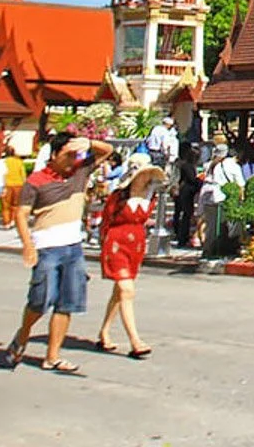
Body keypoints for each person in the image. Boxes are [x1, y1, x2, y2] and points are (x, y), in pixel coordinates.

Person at [8, 134, 113, 374]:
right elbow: (21, 214)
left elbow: (106, 150)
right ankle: (22, 336)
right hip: (47, 247)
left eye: (74, 155)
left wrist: (86, 143)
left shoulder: (80, 172)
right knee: (40, 300)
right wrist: (28, 245)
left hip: (73, 247)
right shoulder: (36, 181)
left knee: (67, 302)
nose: (71, 160)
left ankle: (52, 356)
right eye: (66, 154)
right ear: (53, 155)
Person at [95, 153, 165, 358]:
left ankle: (105, 331)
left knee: (120, 291)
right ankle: (135, 340)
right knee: (127, 289)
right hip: (117, 241)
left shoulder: (150, 196)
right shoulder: (118, 196)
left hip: (136, 243)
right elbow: (106, 220)